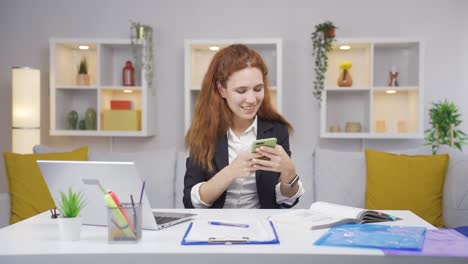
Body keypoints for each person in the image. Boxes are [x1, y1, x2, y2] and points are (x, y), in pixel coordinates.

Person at [183, 44, 304, 209]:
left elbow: (286, 201)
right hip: (212, 229)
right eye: (241, 91)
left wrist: (289, 173)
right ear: (222, 90)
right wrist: (232, 171)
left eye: (258, 89)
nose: (252, 99)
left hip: (261, 227)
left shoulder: (276, 129)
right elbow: (190, 201)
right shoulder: (204, 132)